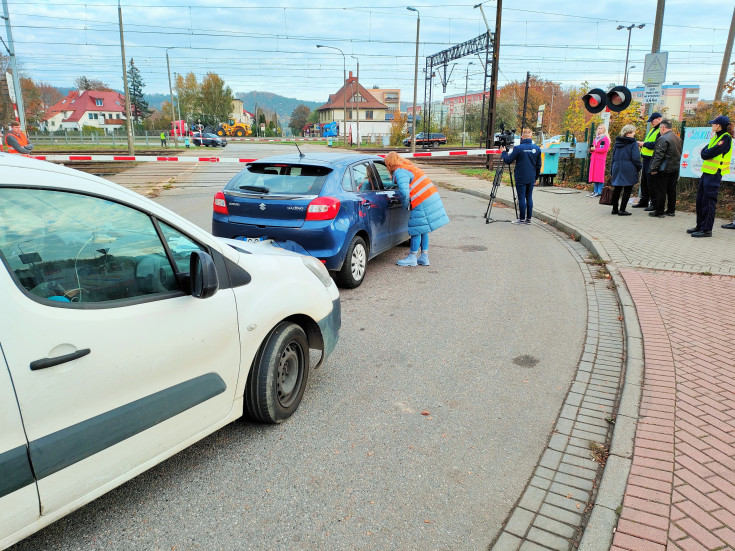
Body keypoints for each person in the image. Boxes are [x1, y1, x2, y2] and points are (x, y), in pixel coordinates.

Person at [384, 151, 449, 267]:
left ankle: (412, 257)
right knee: (422, 228)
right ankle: (424, 257)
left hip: (422, 200)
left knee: (415, 228)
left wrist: (405, 206)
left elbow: (404, 193)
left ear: (389, 164)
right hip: (430, 196)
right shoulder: (408, 167)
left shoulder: (399, 171)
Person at [687, 115, 733, 238]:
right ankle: (699, 226)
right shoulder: (716, 137)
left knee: (708, 202)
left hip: (714, 175)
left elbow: (709, 153)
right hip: (706, 173)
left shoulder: (725, 138)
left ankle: (706, 229)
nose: (712, 125)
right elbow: (704, 152)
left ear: (719, 126)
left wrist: (706, 153)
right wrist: (705, 153)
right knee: (700, 201)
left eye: (713, 124)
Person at [501, 127, 541, 224]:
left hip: (520, 177)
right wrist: (536, 177)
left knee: (521, 197)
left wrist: (503, 152)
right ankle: (529, 219)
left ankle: (522, 219)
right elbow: (539, 165)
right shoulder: (537, 148)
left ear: (522, 137)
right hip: (531, 177)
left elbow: (508, 160)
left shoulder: (518, 148)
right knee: (529, 197)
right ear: (531, 137)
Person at [648, 119, 682, 218]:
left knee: (660, 190)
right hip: (675, 168)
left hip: (664, 169)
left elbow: (659, 155)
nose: (659, 131)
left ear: (663, 127)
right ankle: (671, 210)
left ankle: (659, 211)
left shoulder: (663, 138)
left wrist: (654, 168)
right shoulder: (677, 138)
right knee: (671, 190)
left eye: (660, 129)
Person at [610, 125, 641, 216]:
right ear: (629, 133)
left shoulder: (617, 143)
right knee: (627, 189)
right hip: (628, 168)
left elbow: (613, 157)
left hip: (617, 167)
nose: (634, 133)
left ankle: (615, 209)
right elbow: (636, 158)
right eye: (633, 132)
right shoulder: (633, 143)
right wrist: (639, 167)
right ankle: (622, 209)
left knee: (617, 189)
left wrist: (612, 169)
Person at [632, 112, 662, 209]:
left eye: (652, 121)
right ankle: (644, 201)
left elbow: (655, 145)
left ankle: (654, 203)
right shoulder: (653, 129)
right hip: (646, 158)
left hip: (652, 159)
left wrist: (643, 144)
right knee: (644, 182)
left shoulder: (660, 130)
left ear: (658, 119)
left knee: (651, 182)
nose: (651, 123)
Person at [588, 124, 610, 197]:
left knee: (599, 175)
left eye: (601, 128)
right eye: (599, 128)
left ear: (604, 130)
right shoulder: (596, 138)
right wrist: (591, 150)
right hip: (594, 159)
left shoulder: (605, 139)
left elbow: (605, 149)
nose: (599, 130)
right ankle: (595, 191)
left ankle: (599, 191)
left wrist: (595, 150)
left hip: (600, 159)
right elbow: (593, 147)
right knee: (594, 175)